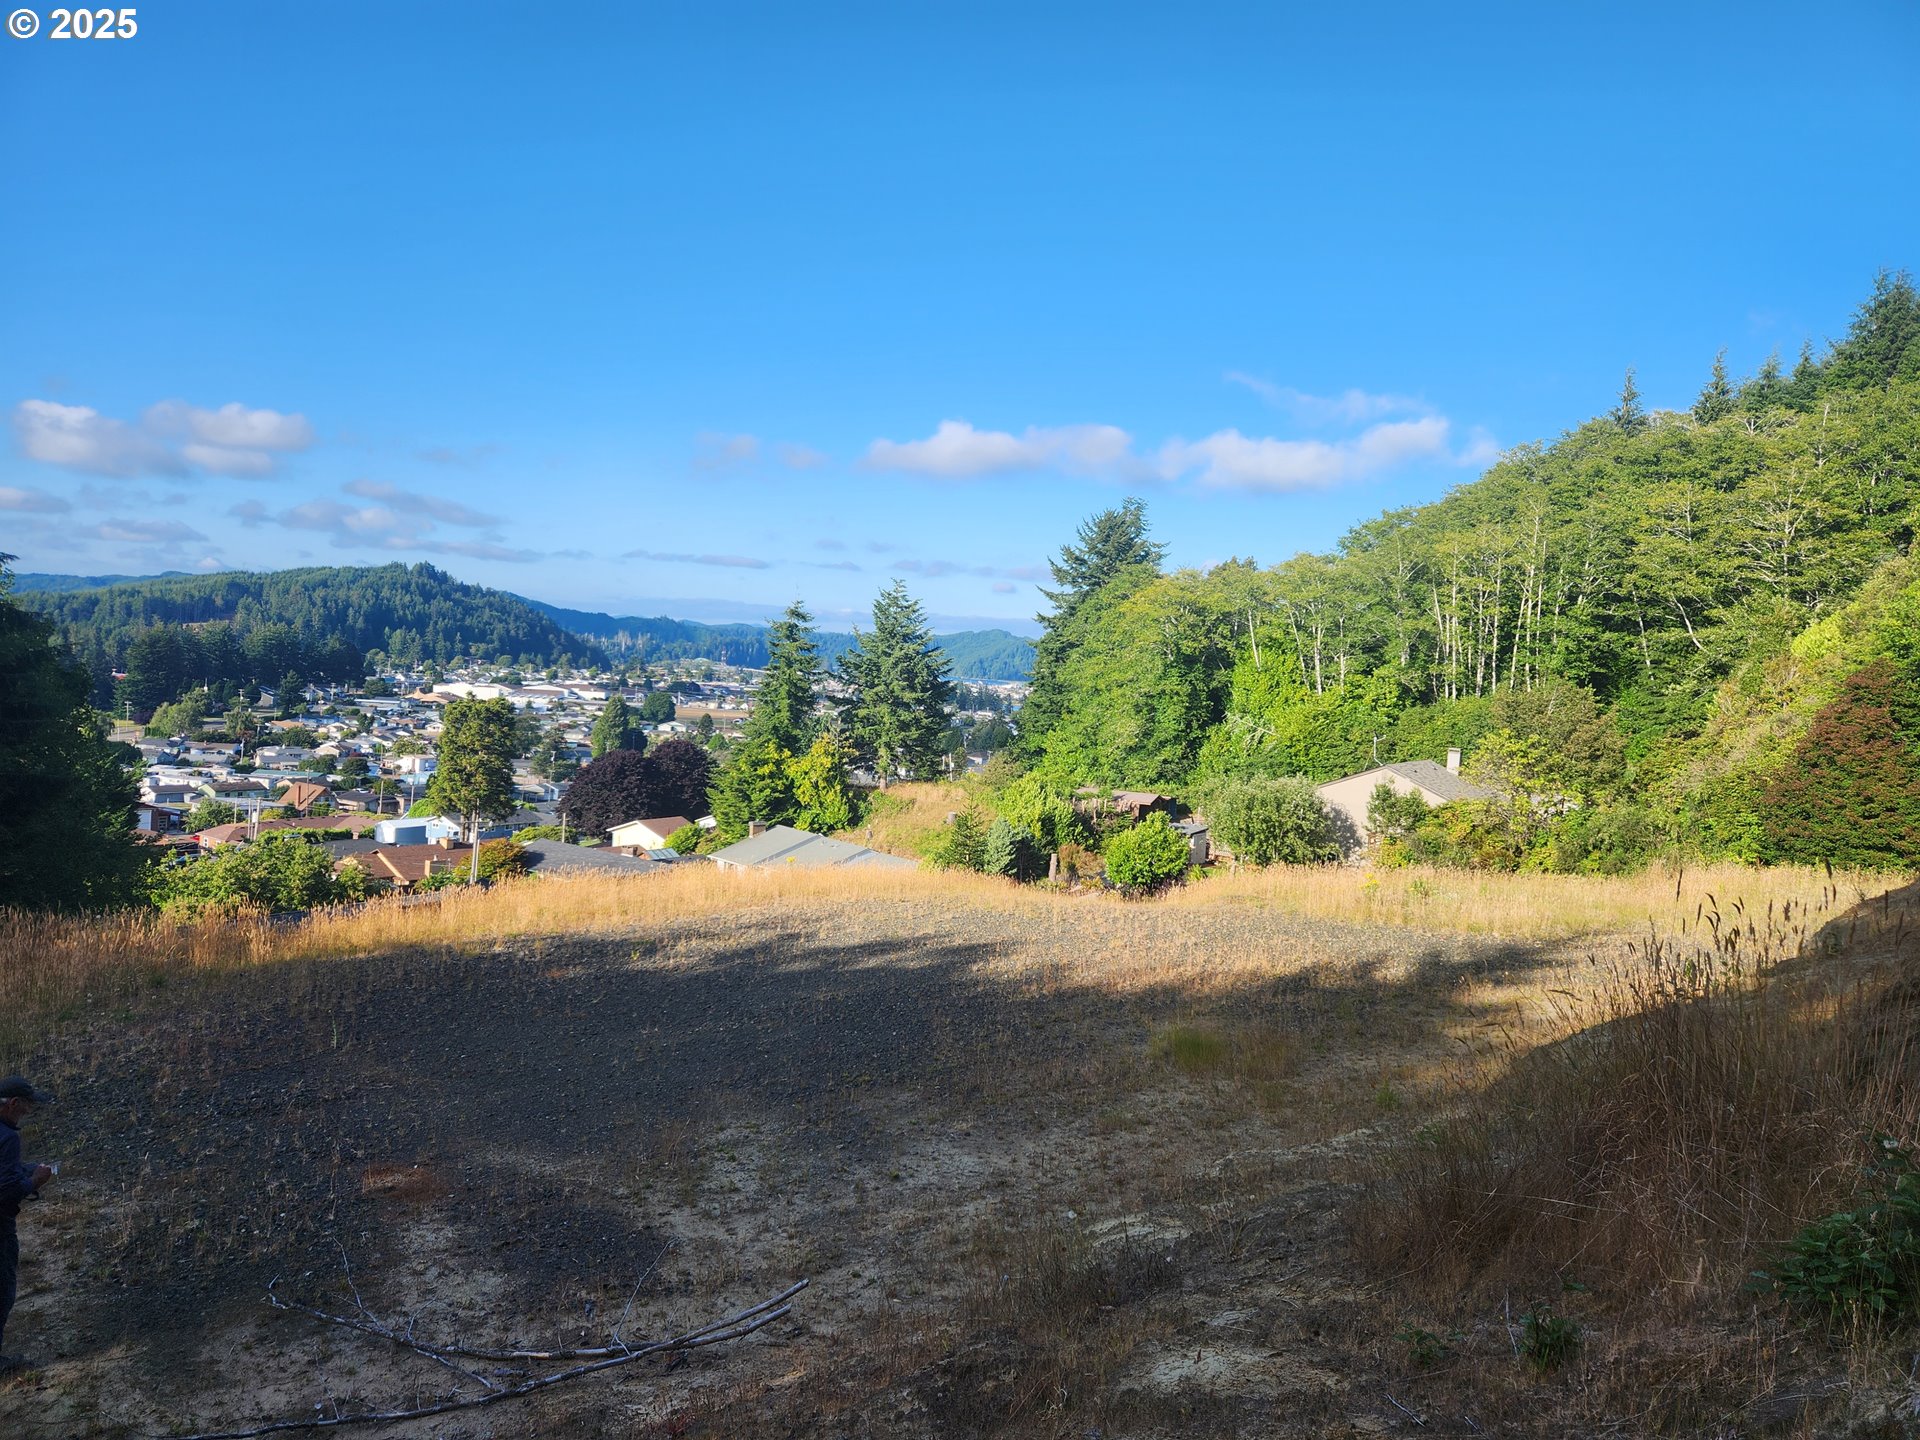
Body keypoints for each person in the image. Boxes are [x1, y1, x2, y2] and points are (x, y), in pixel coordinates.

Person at [0, 1075, 55, 1375]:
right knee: (3, 1289)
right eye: (27, 1106)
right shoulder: (8, 1137)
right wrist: (35, 1181)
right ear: (13, 1104)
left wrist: (25, 1169)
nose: (28, 1111)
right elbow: (7, 1190)